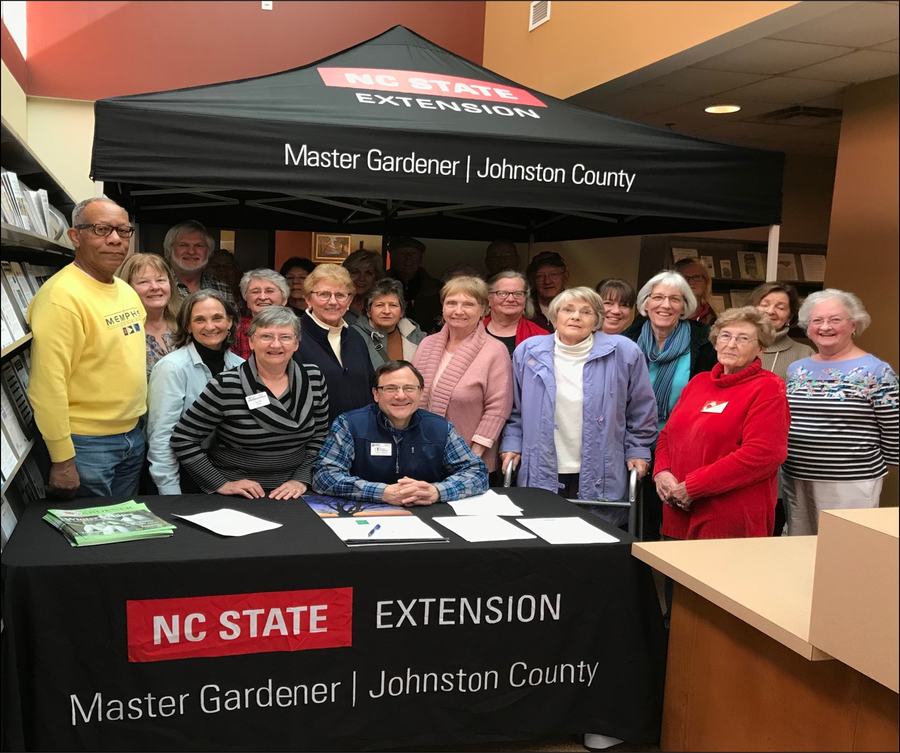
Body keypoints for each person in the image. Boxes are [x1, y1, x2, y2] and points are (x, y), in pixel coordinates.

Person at [500, 288, 657, 527]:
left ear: (597, 320)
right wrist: (511, 444)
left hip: (601, 466)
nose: (576, 317)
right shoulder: (528, 351)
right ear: (554, 316)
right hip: (542, 463)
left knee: (594, 537)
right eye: (568, 310)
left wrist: (638, 450)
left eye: (586, 312)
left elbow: (641, 409)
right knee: (542, 532)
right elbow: (514, 408)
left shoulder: (624, 352)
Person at [27, 197, 146, 498]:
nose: (116, 239)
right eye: (101, 229)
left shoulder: (125, 291)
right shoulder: (61, 297)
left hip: (131, 436)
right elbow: (47, 386)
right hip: (85, 446)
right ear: (75, 236)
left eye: (123, 231)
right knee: (92, 539)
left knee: (121, 533)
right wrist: (62, 459)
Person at [653, 307, 789, 539]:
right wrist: (662, 473)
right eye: (725, 336)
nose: (731, 344)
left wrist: (692, 487)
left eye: (743, 338)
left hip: (728, 515)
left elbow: (763, 454)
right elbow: (668, 435)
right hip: (678, 508)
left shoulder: (768, 388)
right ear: (715, 342)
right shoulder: (699, 382)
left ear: (761, 348)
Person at [171, 306, 329, 498]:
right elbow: (183, 439)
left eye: (285, 337)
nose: (276, 345)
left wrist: (302, 479)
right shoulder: (226, 384)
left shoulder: (313, 378)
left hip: (295, 491)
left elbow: (320, 436)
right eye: (266, 336)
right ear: (251, 341)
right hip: (240, 494)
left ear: (297, 343)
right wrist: (220, 483)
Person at [783, 290, 898, 535]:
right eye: (817, 320)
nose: (825, 327)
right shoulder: (797, 369)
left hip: (851, 480)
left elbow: (894, 427)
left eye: (835, 320)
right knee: (798, 544)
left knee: (846, 546)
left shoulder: (876, 371)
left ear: (853, 324)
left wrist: (869, 470)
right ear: (807, 326)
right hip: (797, 475)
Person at [313, 361, 488, 504]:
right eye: (390, 388)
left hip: (426, 514)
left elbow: (477, 472)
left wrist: (437, 491)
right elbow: (324, 476)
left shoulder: (440, 428)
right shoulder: (349, 424)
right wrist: (382, 492)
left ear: (420, 393)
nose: (401, 396)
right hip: (364, 514)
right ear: (375, 394)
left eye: (409, 388)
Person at [624, 270, 717, 539]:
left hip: (683, 442)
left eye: (674, 299)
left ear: (685, 305)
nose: (665, 305)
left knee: (675, 517)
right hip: (632, 441)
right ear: (646, 303)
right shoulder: (627, 340)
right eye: (658, 297)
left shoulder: (704, 342)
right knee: (639, 520)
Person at [413, 276, 513, 473]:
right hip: (422, 457)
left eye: (468, 304)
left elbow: (497, 410)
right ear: (442, 307)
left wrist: (470, 459)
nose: (458, 311)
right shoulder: (427, 344)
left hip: (469, 461)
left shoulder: (495, 351)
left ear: (484, 309)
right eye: (451, 303)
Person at [147, 290, 243, 494]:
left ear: (230, 322)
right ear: (188, 326)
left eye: (217, 318)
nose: (210, 326)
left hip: (226, 474)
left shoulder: (241, 367)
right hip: (181, 474)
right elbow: (162, 436)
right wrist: (169, 490)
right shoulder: (172, 368)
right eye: (200, 320)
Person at [296, 264, 375, 421]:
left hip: (356, 435)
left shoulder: (355, 337)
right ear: (308, 299)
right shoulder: (292, 336)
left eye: (340, 295)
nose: (333, 302)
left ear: (349, 300)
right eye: (324, 294)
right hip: (314, 439)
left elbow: (370, 388)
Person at [115, 252, 179, 377]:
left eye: (160, 280)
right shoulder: (119, 333)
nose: (155, 287)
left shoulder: (184, 326)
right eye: (144, 282)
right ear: (127, 287)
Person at [350, 278, 425, 369]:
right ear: (369, 311)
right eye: (380, 305)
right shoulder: (354, 335)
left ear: (401, 312)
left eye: (393, 305)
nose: (386, 311)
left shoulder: (416, 335)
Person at [749, 282, 815, 380]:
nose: (770, 311)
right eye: (764, 304)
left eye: (780, 307)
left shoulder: (805, 354)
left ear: (789, 317)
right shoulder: (731, 344)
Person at [163, 219, 235, 305]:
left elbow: (231, 318)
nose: (191, 251)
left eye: (199, 245)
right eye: (183, 245)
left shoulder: (221, 288)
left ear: (209, 252)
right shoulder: (157, 287)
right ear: (169, 249)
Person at [483, 271, 548, 357]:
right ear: (489, 299)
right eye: (502, 293)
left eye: (518, 294)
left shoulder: (541, 337)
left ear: (526, 299)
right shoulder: (471, 331)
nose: (510, 299)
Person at [387, 236, 442, 333]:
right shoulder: (378, 285)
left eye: (413, 253)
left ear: (420, 259)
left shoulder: (436, 287)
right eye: (403, 253)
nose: (408, 258)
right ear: (392, 257)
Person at [232, 269, 289, 359]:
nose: (262, 297)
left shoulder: (297, 328)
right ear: (246, 298)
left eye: (269, 291)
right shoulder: (235, 329)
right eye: (255, 291)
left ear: (284, 299)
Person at [526, 251, 569, 332]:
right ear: (533, 279)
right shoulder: (523, 308)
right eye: (540, 276)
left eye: (553, 274)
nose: (547, 281)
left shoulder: (578, 304)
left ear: (565, 277)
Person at [342, 248, 383, 324]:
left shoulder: (382, 306)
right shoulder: (336, 303)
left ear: (376, 277)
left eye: (368, 273)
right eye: (355, 272)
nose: (361, 278)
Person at [674, 257, 717, 326]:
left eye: (697, 277)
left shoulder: (715, 320)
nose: (691, 281)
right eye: (684, 277)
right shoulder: (662, 314)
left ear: (706, 282)